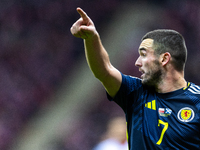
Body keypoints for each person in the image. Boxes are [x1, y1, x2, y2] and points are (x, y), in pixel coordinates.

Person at [70, 7, 200, 150]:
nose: (137, 62)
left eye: (144, 55)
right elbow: (104, 70)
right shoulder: (137, 93)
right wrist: (91, 39)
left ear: (164, 59)